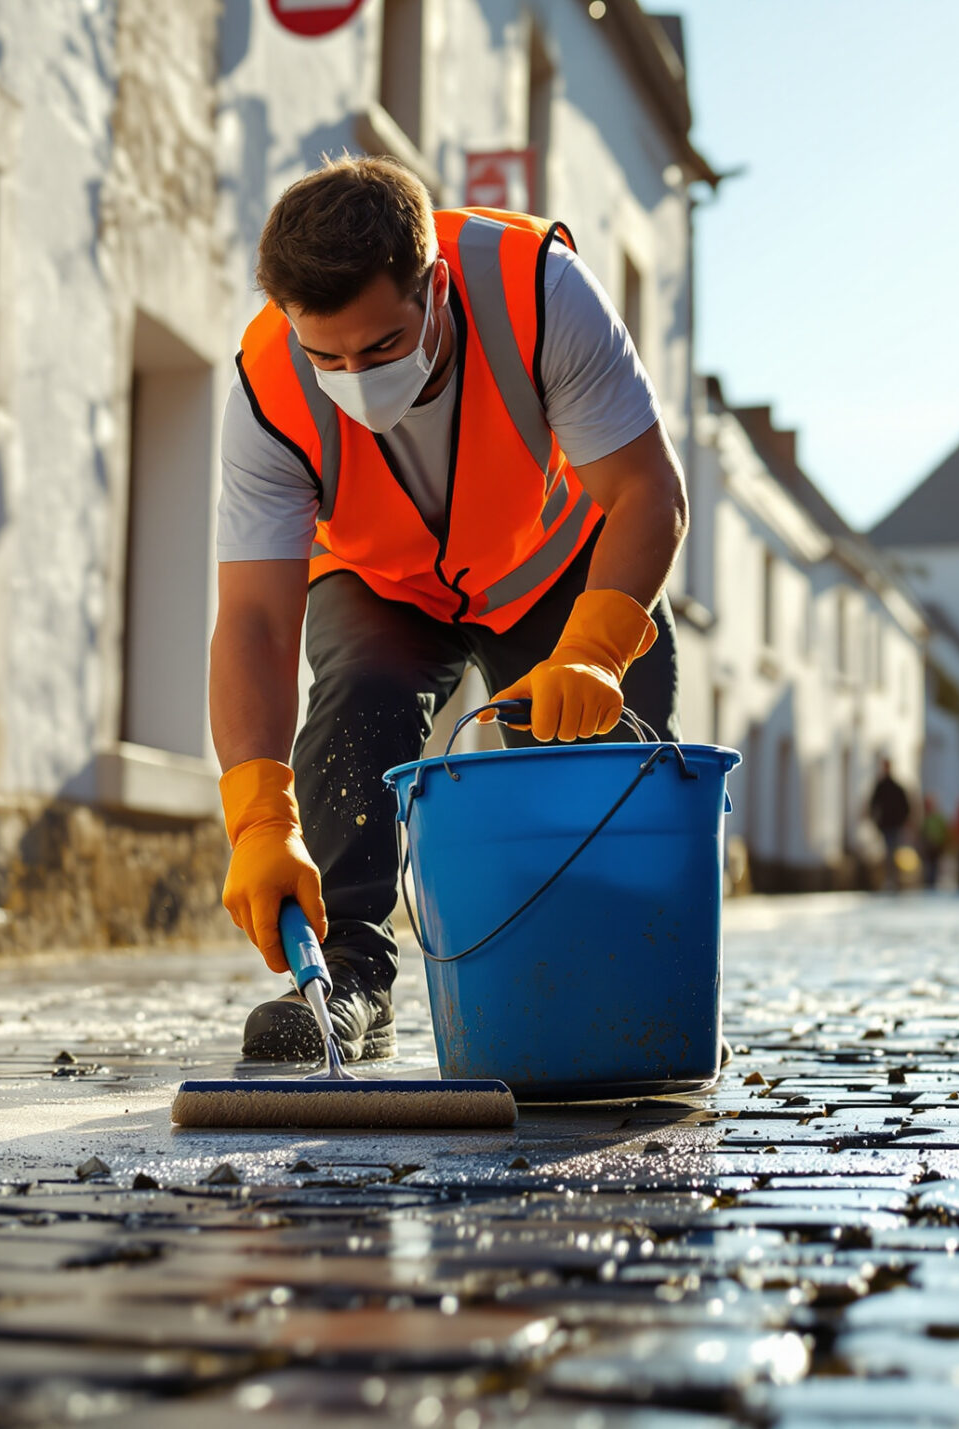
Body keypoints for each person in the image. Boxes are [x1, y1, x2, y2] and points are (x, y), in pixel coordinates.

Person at [209, 158, 687, 1061]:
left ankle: (616, 979)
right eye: (328, 357)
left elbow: (647, 492)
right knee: (357, 696)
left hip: (553, 571)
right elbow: (256, 623)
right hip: (384, 583)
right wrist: (259, 817)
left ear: (433, 288)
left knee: (597, 773)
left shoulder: (538, 292)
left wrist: (594, 648)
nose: (354, 377)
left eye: (382, 347)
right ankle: (347, 972)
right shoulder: (267, 387)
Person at [867, 759, 913, 891]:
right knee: (889, 852)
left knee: (892, 852)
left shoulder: (895, 787)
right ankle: (890, 879)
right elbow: (873, 804)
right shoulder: (881, 786)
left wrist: (904, 821)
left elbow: (905, 806)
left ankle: (893, 879)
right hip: (885, 825)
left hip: (894, 825)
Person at [918, 794, 954, 890]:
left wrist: (944, 842)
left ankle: (933, 882)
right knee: (928, 864)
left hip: (937, 845)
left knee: (935, 864)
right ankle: (928, 882)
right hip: (927, 845)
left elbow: (945, 830)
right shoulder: (924, 817)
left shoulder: (939, 817)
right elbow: (921, 831)